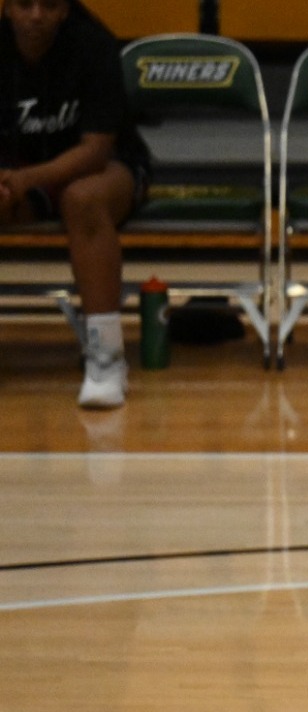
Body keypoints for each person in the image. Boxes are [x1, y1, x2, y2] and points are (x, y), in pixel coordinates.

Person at [1, 0, 150, 409]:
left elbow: (96, 151)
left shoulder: (93, 44)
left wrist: (28, 179)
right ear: (6, 7)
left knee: (81, 199)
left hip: (104, 167)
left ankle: (106, 356)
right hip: (21, 169)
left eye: (47, 5)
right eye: (24, 4)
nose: (35, 16)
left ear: (65, 9)